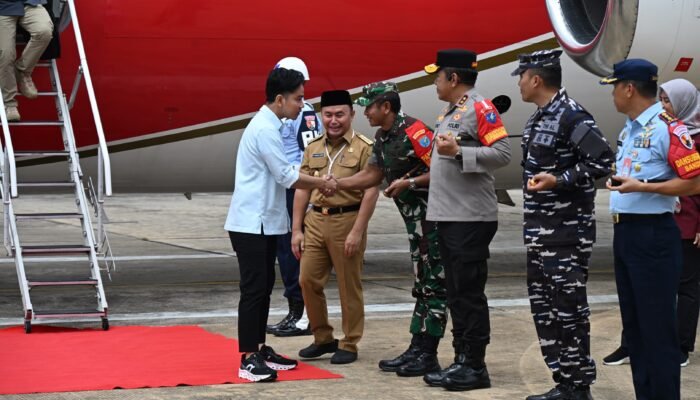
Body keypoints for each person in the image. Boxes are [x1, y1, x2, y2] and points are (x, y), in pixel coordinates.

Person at [224, 67, 338, 382]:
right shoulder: (263, 129)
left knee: (262, 289)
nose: (302, 105)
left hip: (263, 222)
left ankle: (259, 347)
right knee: (253, 290)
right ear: (279, 99)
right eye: (298, 99)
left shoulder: (270, 125)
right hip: (250, 224)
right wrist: (322, 183)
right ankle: (248, 358)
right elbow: (286, 175)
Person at [513, 50, 614, 400]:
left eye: (522, 76)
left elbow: (603, 161)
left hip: (567, 234)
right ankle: (564, 381)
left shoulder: (572, 116)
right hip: (540, 233)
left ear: (536, 79)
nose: (520, 83)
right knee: (545, 310)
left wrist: (559, 179)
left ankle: (579, 385)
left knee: (570, 311)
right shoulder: (538, 118)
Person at [600, 59, 700, 400]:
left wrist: (643, 187)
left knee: (657, 331)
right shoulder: (629, 129)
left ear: (629, 88)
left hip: (653, 235)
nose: (612, 93)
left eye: (615, 86)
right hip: (626, 235)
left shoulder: (667, 128)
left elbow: (695, 182)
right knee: (637, 331)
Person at [335, 81, 447, 377]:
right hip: (416, 225)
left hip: (435, 221)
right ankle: (417, 347)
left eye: (369, 107)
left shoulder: (416, 132)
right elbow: (372, 174)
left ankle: (429, 354)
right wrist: (335, 183)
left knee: (434, 286)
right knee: (422, 285)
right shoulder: (383, 137)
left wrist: (409, 183)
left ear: (386, 107)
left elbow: (443, 171)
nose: (366, 113)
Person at [419, 49, 512, 392]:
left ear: (453, 78)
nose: (434, 82)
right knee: (456, 293)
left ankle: (475, 365)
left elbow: (502, 154)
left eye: (437, 75)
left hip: (470, 218)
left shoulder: (480, 108)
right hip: (449, 215)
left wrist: (459, 152)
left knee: (468, 293)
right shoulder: (451, 110)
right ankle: (460, 360)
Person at [292, 90, 379, 365]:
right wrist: (296, 229)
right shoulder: (313, 147)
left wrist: (357, 231)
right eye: (328, 115)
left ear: (352, 115)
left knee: (347, 285)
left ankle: (350, 342)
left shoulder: (365, 147)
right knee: (306, 280)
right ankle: (322, 337)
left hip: (347, 220)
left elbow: (371, 192)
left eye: (340, 114)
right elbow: (302, 189)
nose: (333, 120)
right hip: (315, 220)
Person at [265, 57, 322, 337]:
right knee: (291, 251)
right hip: (299, 184)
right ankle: (302, 311)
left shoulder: (291, 112)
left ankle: (299, 313)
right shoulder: (310, 111)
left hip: (292, 186)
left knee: (290, 251)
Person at [0, 0, 53, 121]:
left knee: (44, 31)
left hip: (29, 2)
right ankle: (10, 104)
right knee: (5, 54)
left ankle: (22, 70)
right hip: (2, 7)